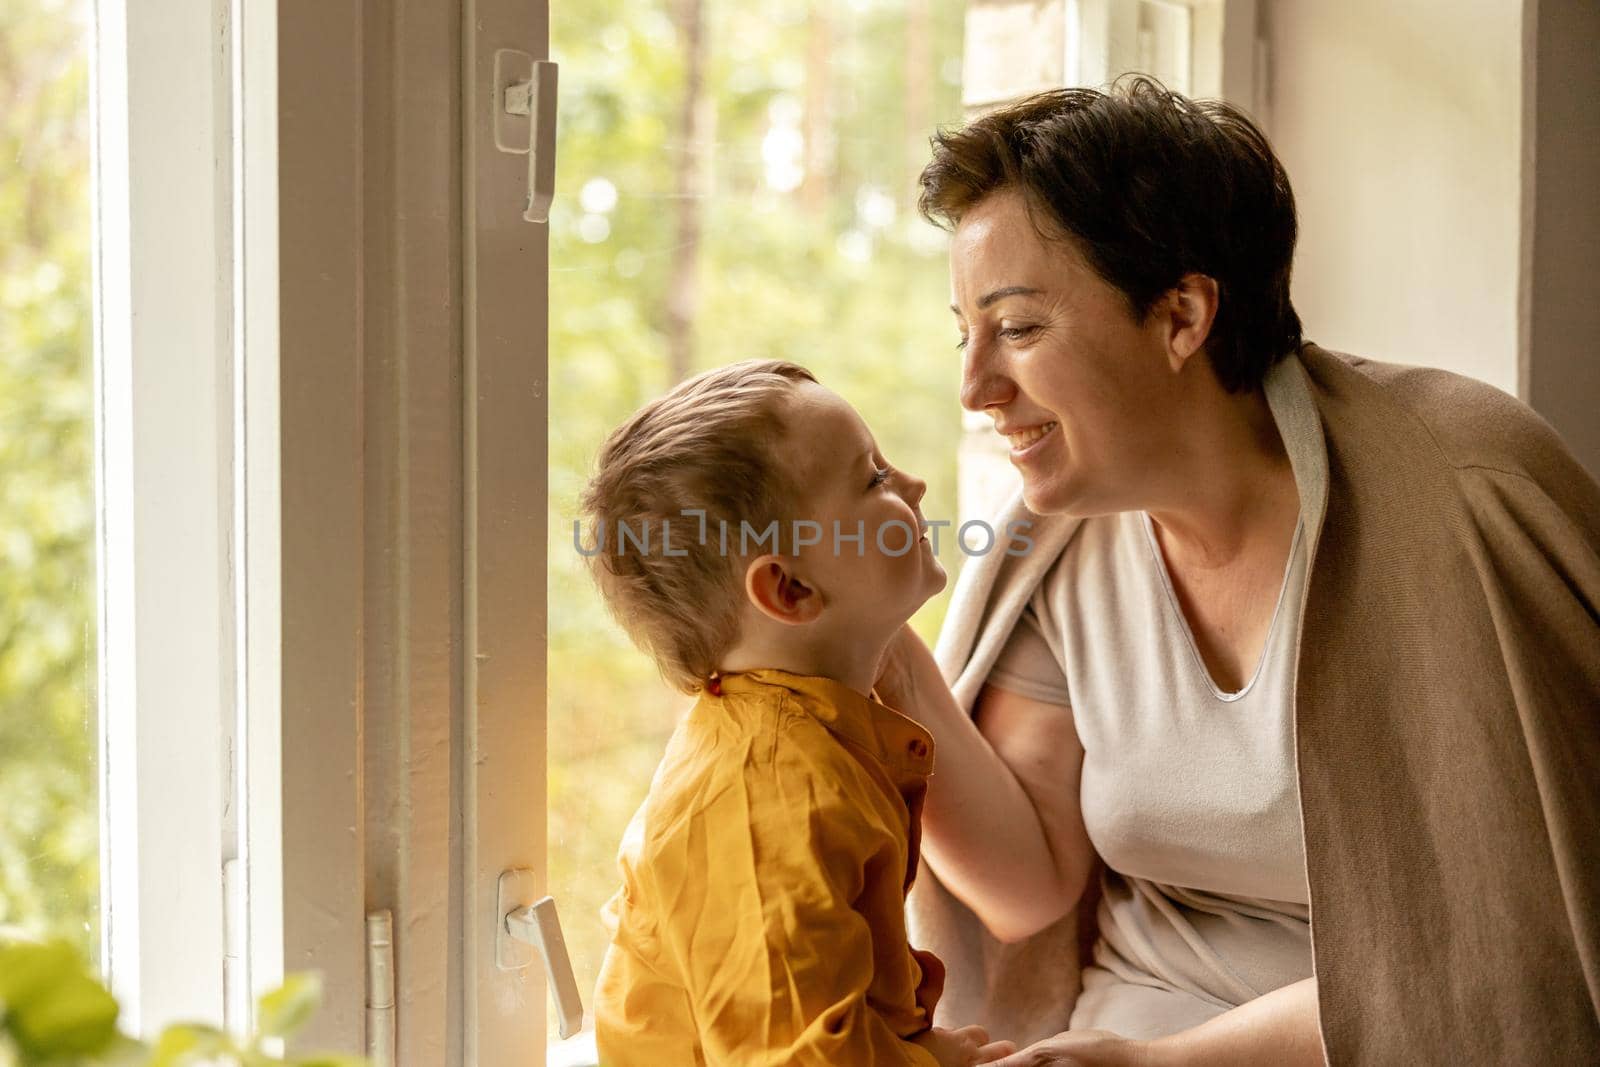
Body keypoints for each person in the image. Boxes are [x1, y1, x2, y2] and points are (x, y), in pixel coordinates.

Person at [869, 77, 1600, 1066]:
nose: (975, 388)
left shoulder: (1468, 493)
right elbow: (1025, 884)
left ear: (1181, 316)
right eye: (967, 335)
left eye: (1020, 329)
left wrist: (1166, 1060)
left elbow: (1522, 943)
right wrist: (871, 645)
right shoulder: (1054, 547)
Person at [580, 359, 1015, 1066]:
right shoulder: (769, 799)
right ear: (789, 588)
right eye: (874, 478)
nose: (914, 485)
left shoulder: (815, 729)